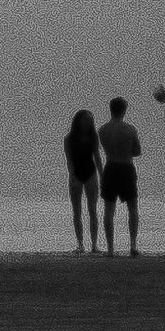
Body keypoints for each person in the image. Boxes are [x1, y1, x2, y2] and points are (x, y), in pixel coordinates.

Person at [97, 93, 143, 258]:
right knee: (132, 207)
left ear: (111, 110)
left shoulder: (102, 130)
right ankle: (133, 245)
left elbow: (104, 148)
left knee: (109, 209)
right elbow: (137, 151)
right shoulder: (130, 129)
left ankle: (110, 249)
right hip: (126, 167)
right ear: (124, 110)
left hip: (110, 166)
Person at [63, 106, 102, 251]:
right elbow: (69, 160)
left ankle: (94, 244)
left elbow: (97, 157)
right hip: (76, 175)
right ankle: (80, 244)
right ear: (78, 121)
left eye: (90, 121)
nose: (88, 123)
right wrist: (72, 176)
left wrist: (102, 174)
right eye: (86, 120)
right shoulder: (69, 139)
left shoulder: (93, 137)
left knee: (92, 210)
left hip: (91, 173)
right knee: (77, 211)